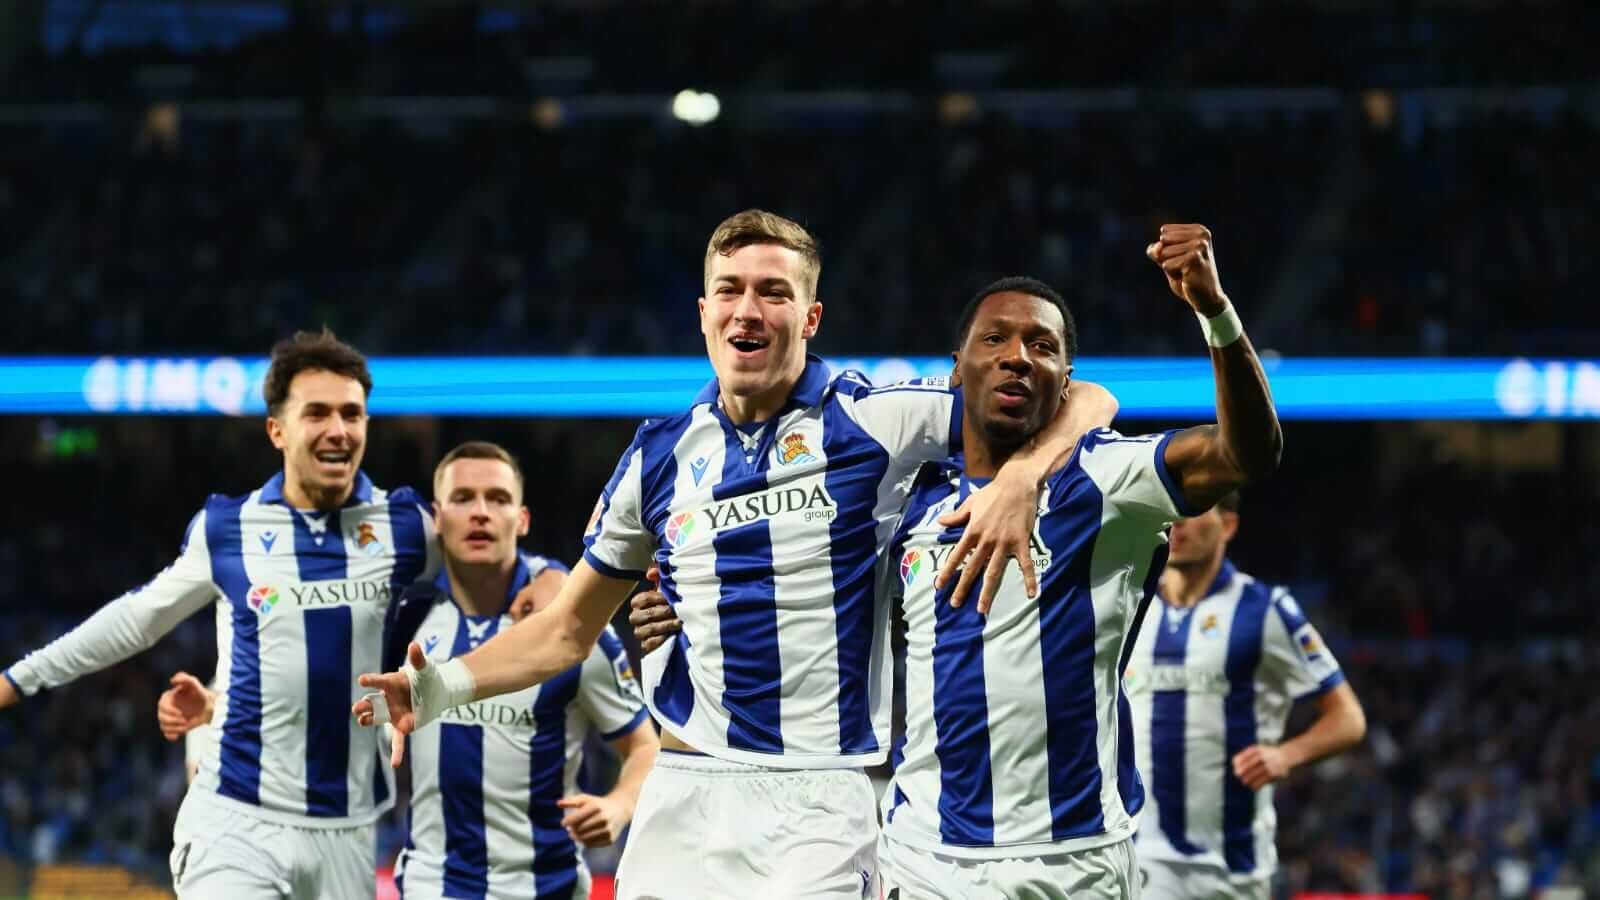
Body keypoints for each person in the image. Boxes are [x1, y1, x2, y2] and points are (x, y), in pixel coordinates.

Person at [355, 209, 1115, 899]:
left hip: (819, 802)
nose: (748, 309)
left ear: (810, 316)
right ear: (705, 313)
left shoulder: (880, 419)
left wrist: (1020, 476)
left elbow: (1088, 400)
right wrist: (439, 689)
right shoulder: (658, 455)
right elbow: (565, 630)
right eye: (730, 290)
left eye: (774, 292)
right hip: (685, 792)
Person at [633, 225, 1285, 898]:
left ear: (1066, 381)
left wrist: (1215, 312)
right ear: (956, 368)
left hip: (1073, 860)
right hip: (922, 858)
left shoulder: (1108, 479)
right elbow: (801, 589)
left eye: (1042, 346)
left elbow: (1249, 454)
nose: (1017, 358)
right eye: (994, 340)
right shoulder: (906, 506)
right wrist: (679, 611)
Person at [0, 329, 439, 899]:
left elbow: (479, 595)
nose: (339, 430)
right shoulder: (227, 529)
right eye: (318, 413)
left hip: (349, 831)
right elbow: (138, 619)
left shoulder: (408, 529)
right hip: (236, 821)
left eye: (352, 414)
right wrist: (17, 678)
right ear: (277, 430)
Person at [161, 441, 660, 899]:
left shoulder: (571, 635)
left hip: (547, 889)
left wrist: (618, 806)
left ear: (522, 519)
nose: (481, 512)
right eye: (463, 498)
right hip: (429, 888)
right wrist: (218, 705)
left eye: (498, 498)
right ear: (436, 521)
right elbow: (315, 692)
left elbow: (643, 747)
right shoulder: (401, 626)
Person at [1124, 492, 1367, 900]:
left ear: (1228, 525)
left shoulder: (1265, 609)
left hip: (1229, 868)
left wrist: (1286, 755)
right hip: (1135, 855)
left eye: (1193, 512)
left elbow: (1348, 718)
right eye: (1171, 512)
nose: (1178, 523)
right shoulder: (1129, 603)